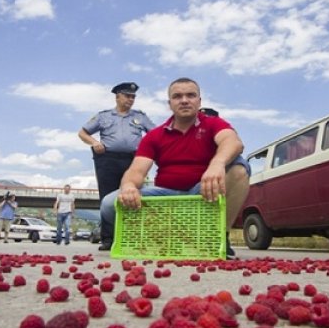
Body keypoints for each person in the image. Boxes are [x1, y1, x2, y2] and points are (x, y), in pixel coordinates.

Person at [98, 78, 250, 257]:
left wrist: (217, 164)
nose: (184, 100)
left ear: (199, 101)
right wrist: (129, 186)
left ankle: (218, 237)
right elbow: (136, 171)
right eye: (177, 96)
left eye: (190, 95)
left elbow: (232, 142)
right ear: (170, 103)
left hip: (203, 191)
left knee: (240, 167)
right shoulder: (154, 135)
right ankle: (156, 237)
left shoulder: (213, 124)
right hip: (165, 196)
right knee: (109, 203)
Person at [78, 82, 155, 249]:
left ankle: (132, 236)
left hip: (134, 161)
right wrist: (94, 142)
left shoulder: (140, 116)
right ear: (118, 96)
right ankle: (108, 239)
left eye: (133, 96)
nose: (131, 99)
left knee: (133, 195)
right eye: (127, 95)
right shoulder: (103, 116)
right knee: (107, 197)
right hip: (108, 159)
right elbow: (82, 132)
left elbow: (155, 134)